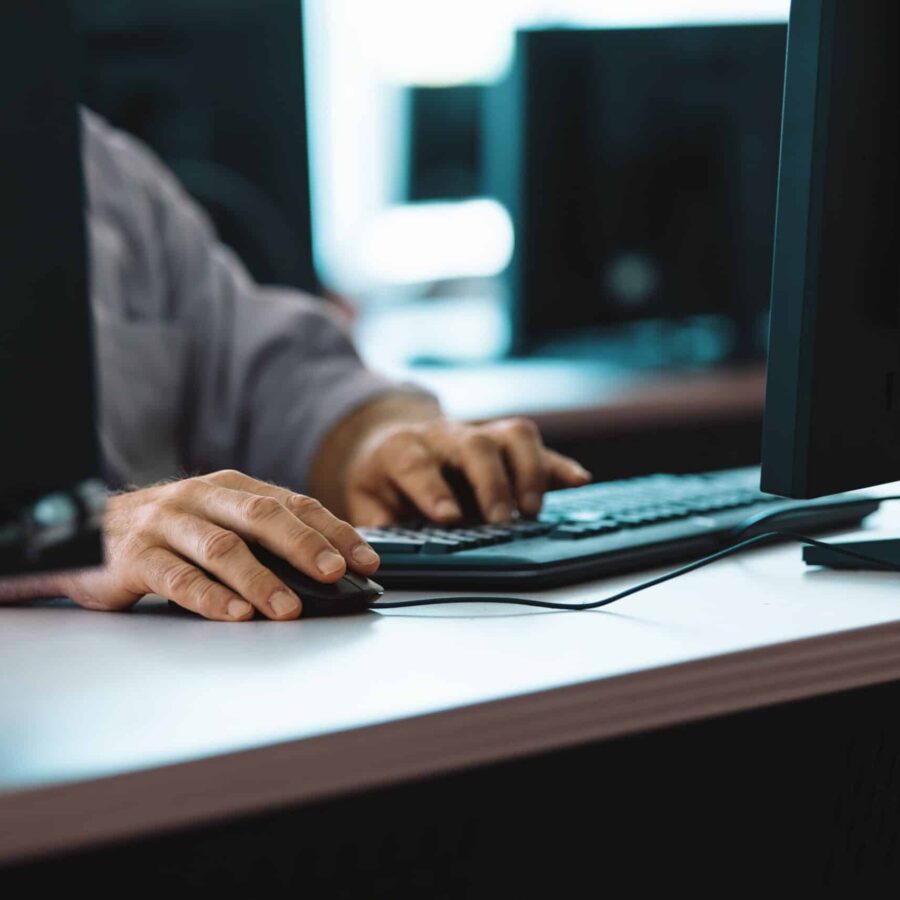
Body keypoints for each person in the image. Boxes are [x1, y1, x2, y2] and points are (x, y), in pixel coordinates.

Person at [0, 110, 590, 621]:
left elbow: (257, 369)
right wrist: (67, 536)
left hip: (170, 674)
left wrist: (374, 442)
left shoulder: (94, 163)